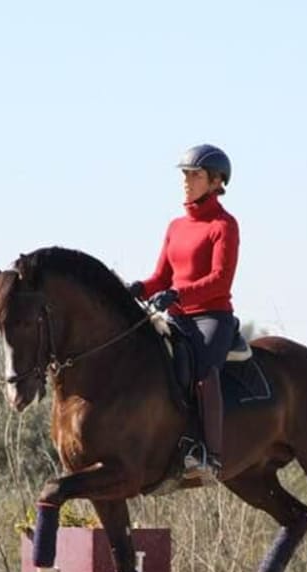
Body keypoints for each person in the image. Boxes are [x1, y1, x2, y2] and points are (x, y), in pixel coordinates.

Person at [129, 144, 240, 481]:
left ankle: (209, 455)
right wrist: (140, 289)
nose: (187, 181)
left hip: (211, 317)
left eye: (195, 175)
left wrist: (177, 293)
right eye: (185, 175)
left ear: (216, 180)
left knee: (204, 371)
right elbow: (161, 276)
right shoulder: (176, 226)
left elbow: (219, 279)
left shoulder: (224, 225)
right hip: (175, 315)